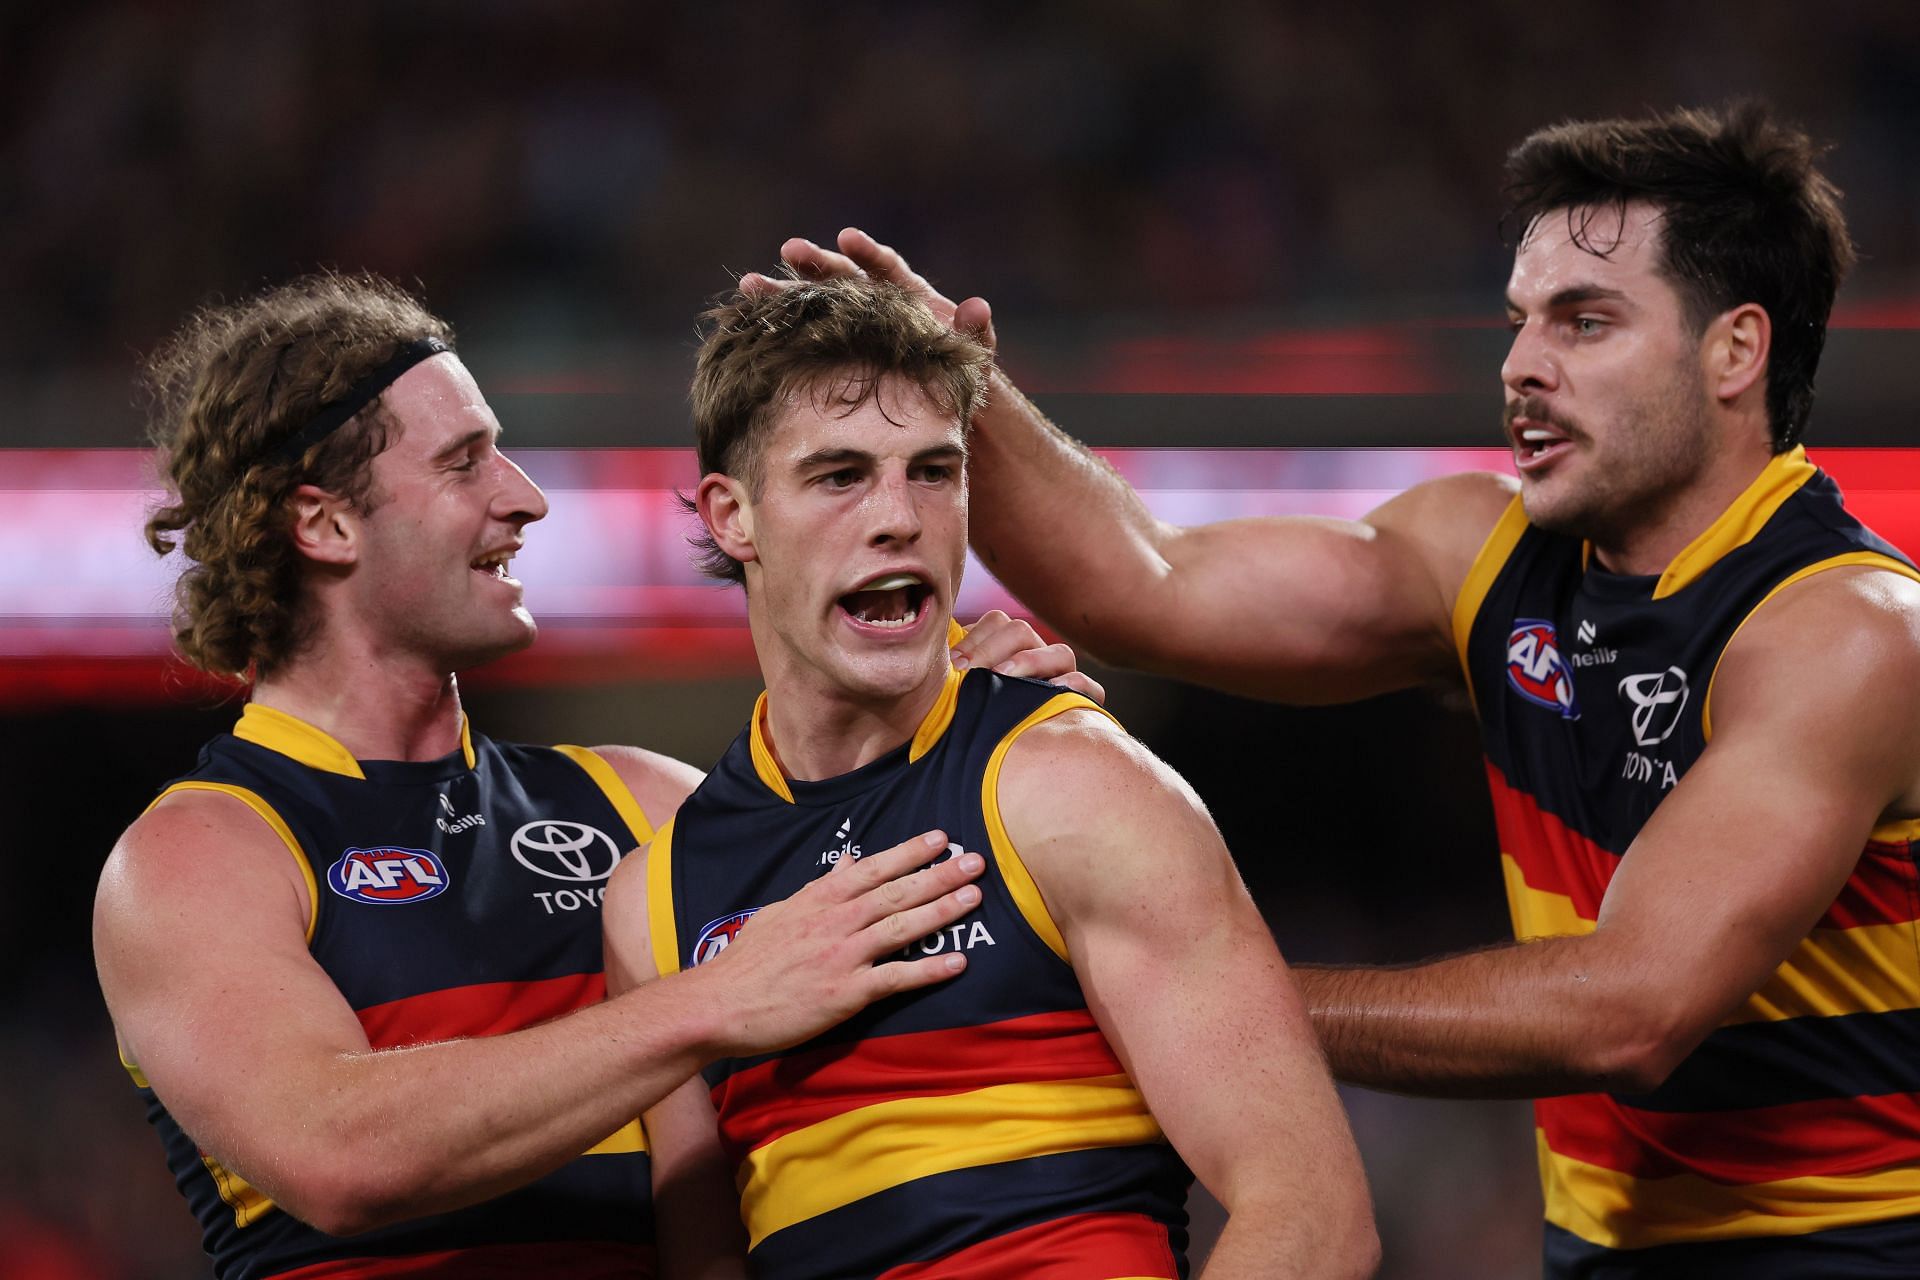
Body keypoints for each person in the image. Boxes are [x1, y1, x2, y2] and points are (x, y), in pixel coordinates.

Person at [769, 102, 1920, 1277]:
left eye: (1586, 322)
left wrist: (1204, 997)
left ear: (1736, 350)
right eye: (1521, 321)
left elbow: (1629, 1008)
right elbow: (1142, 582)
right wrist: (947, 379)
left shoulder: (1842, 631)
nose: (1523, 364)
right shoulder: (1486, 552)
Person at [92, 272, 1094, 1279]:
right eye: (465, 460)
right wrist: (711, 998)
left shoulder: (642, 801)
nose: (523, 497)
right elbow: (339, 1151)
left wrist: (948, 739)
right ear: (325, 524)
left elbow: (874, 950)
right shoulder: (199, 853)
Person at [600, 274, 1378, 1280]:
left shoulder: (1071, 784)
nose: (899, 517)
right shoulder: (651, 901)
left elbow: (1312, 1216)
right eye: (839, 475)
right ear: (733, 514)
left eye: (934, 471)